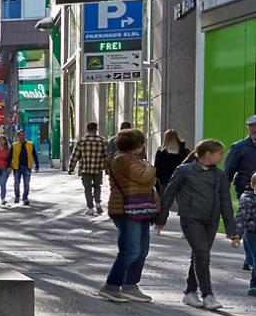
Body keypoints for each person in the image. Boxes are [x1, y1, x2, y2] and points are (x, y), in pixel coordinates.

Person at [159, 139, 239, 309]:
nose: (222, 157)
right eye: (220, 154)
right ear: (208, 155)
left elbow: (225, 202)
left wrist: (232, 232)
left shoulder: (220, 175)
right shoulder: (185, 171)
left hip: (211, 221)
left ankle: (190, 292)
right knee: (202, 256)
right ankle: (208, 295)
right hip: (190, 218)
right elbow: (169, 194)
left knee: (199, 256)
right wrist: (161, 220)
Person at [99, 129, 158, 303]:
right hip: (125, 210)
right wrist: (149, 166)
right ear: (137, 145)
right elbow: (143, 177)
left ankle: (130, 285)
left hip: (140, 209)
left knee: (142, 251)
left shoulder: (132, 159)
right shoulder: (122, 159)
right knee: (131, 250)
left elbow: (147, 180)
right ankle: (111, 286)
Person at [67, 122, 111, 216]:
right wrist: (107, 168)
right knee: (97, 186)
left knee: (87, 189)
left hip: (85, 169)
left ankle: (90, 208)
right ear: (96, 129)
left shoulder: (81, 141)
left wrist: (71, 168)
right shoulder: (102, 141)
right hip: (98, 169)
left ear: (87, 129)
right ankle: (98, 203)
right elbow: (107, 157)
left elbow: (75, 156)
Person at [155, 129, 189, 196]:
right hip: (180, 179)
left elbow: (157, 167)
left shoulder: (160, 152)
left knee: (165, 199)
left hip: (164, 179)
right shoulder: (184, 151)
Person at [11, 130, 40, 205]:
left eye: (23, 135)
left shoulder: (30, 144)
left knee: (26, 183)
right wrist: (8, 166)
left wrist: (37, 165)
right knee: (17, 182)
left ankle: (25, 198)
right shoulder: (14, 145)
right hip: (17, 167)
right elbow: (10, 156)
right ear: (18, 136)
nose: (22, 136)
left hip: (27, 166)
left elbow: (34, 155)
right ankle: (17, 196)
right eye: (20, 135)